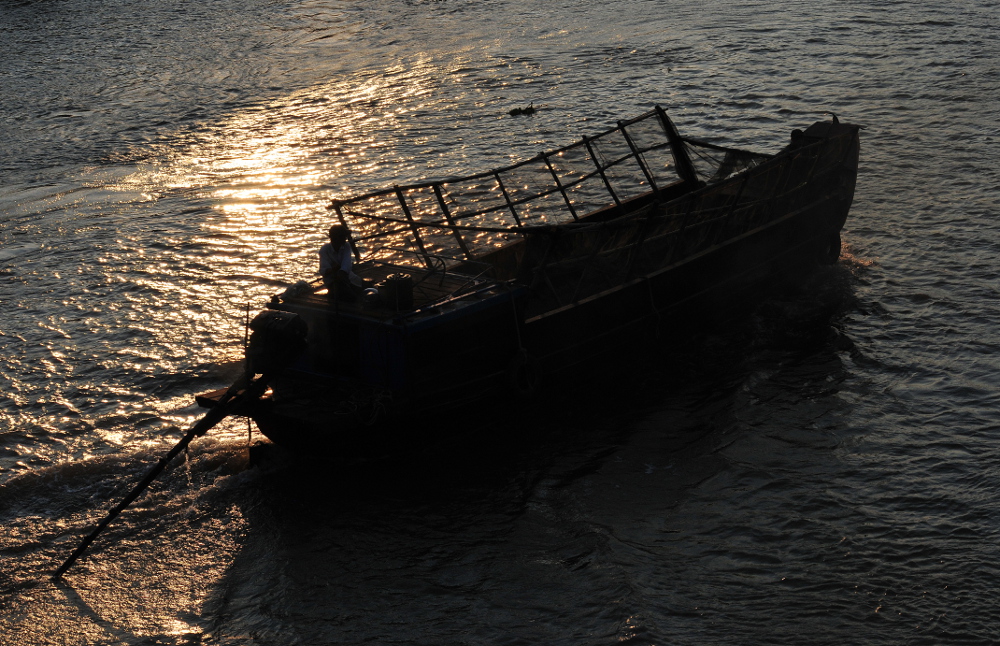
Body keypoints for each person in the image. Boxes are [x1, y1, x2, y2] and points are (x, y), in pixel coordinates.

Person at [319, 224, 362, 301]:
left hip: (347, 277)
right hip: (332, 281)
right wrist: (335, 270)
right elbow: (324, 270)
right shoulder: (325, 250)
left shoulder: (346, 246)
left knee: (366, 287)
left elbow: (346, 264)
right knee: (352, 297)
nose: (345, 239)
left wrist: (340, 271)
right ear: (335, 238)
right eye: (342, 237)